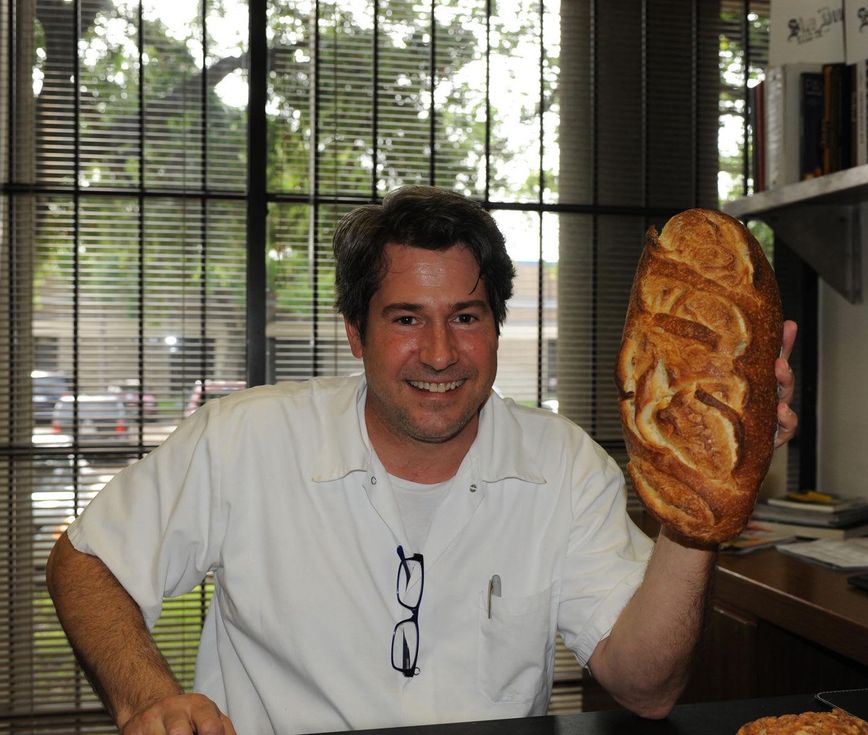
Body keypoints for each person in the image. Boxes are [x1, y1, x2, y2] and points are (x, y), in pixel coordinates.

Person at [47, 185, 798, 735]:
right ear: (355, 332)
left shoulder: (562, 463)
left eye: (466, 318)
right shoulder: (246, 439)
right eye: (407, 318)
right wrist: (147, 700)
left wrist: (701, 501)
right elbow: (87, 559)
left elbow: (646, 687)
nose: (439, 354)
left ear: (497, 328)